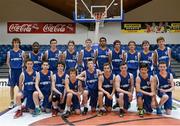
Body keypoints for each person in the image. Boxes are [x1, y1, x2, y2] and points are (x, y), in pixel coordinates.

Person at [6, 38, 25, 109]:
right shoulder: (9, 52)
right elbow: (7, 61)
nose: (16, 44)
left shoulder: (22, 52)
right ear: (13, 43)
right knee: (11, 87)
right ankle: (11, 101)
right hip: (13, 71)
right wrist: (10, 67)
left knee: (20, 86)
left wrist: (22, 65)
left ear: (19, 43)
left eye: (17, 43)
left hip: (20, 70)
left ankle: (20, 100)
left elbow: (24, 61)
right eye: (15, 43)